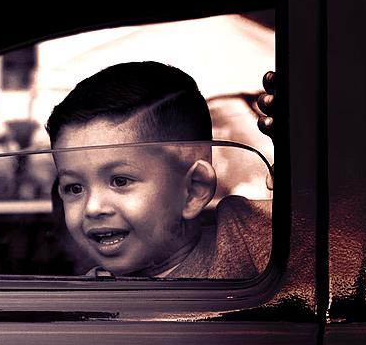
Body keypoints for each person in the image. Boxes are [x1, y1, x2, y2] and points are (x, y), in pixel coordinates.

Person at [46, 61, 271, 279]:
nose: (93, 208)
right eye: (74, 188)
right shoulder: (86, 297)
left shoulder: (242, 241)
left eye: (120, 181)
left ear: (193, 190)